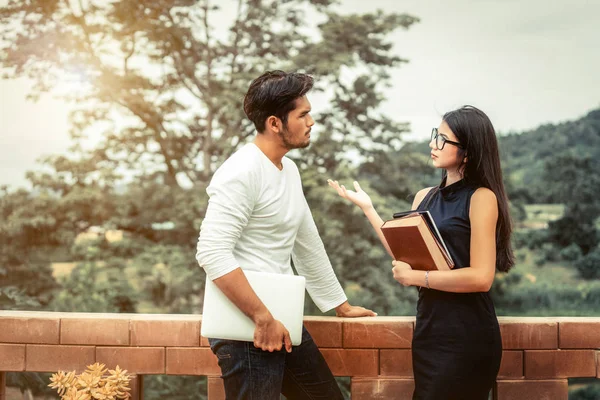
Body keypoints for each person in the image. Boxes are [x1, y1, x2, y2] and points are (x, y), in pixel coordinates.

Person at [196, 70, 376, 400]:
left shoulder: (288, 169)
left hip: (282, 318)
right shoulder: (241, 171)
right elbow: (211, 251)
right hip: (248, 327)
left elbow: (306, 241)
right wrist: (262, 318)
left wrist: (341, 305)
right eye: (302, 114)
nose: (311, 121)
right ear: (275, 123)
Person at [328, 105, 514, 400]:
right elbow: (402, 251)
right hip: (430, 329)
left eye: (442, 139)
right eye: (434, 135)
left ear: (468, 151)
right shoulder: (423, 197)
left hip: (468, 335)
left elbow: (481, 278)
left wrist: (417, 276)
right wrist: (368, 208)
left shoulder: (482, 198)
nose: (432, 144)